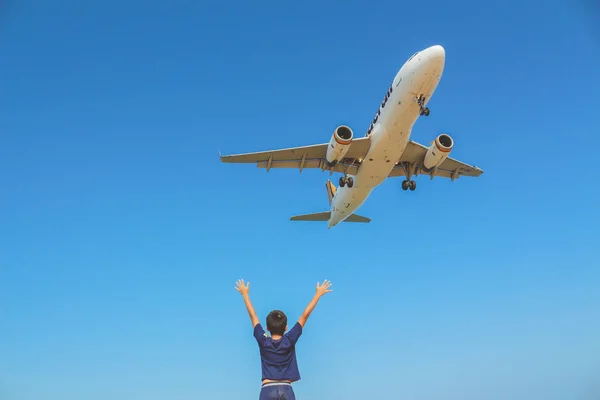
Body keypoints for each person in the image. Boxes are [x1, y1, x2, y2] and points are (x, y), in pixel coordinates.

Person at [234, 278, 333, 400]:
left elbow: (253, 316)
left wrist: (245, 294)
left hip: (267, 389)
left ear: (267, 328)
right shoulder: (290, 339)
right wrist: (318, 294)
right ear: (286, 327)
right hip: (286, 389)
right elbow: (304, 316)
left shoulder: (263, 340)